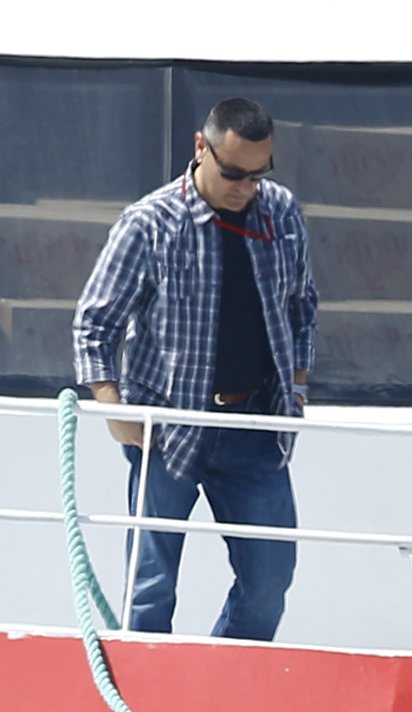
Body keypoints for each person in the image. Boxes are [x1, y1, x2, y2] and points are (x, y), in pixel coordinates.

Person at [73, 98, 317, 642]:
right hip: (165, 430)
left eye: (258, 174)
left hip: (254, 428)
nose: (246, 187)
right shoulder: (149, 223)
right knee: (150, 588)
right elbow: (94, 325)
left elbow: (302, 308)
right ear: (200, 147)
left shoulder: (282, 214)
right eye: (234, 173)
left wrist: (296, 392)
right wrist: (112, 410)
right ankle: (146, 701)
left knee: (271, 579)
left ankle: (224, 688)